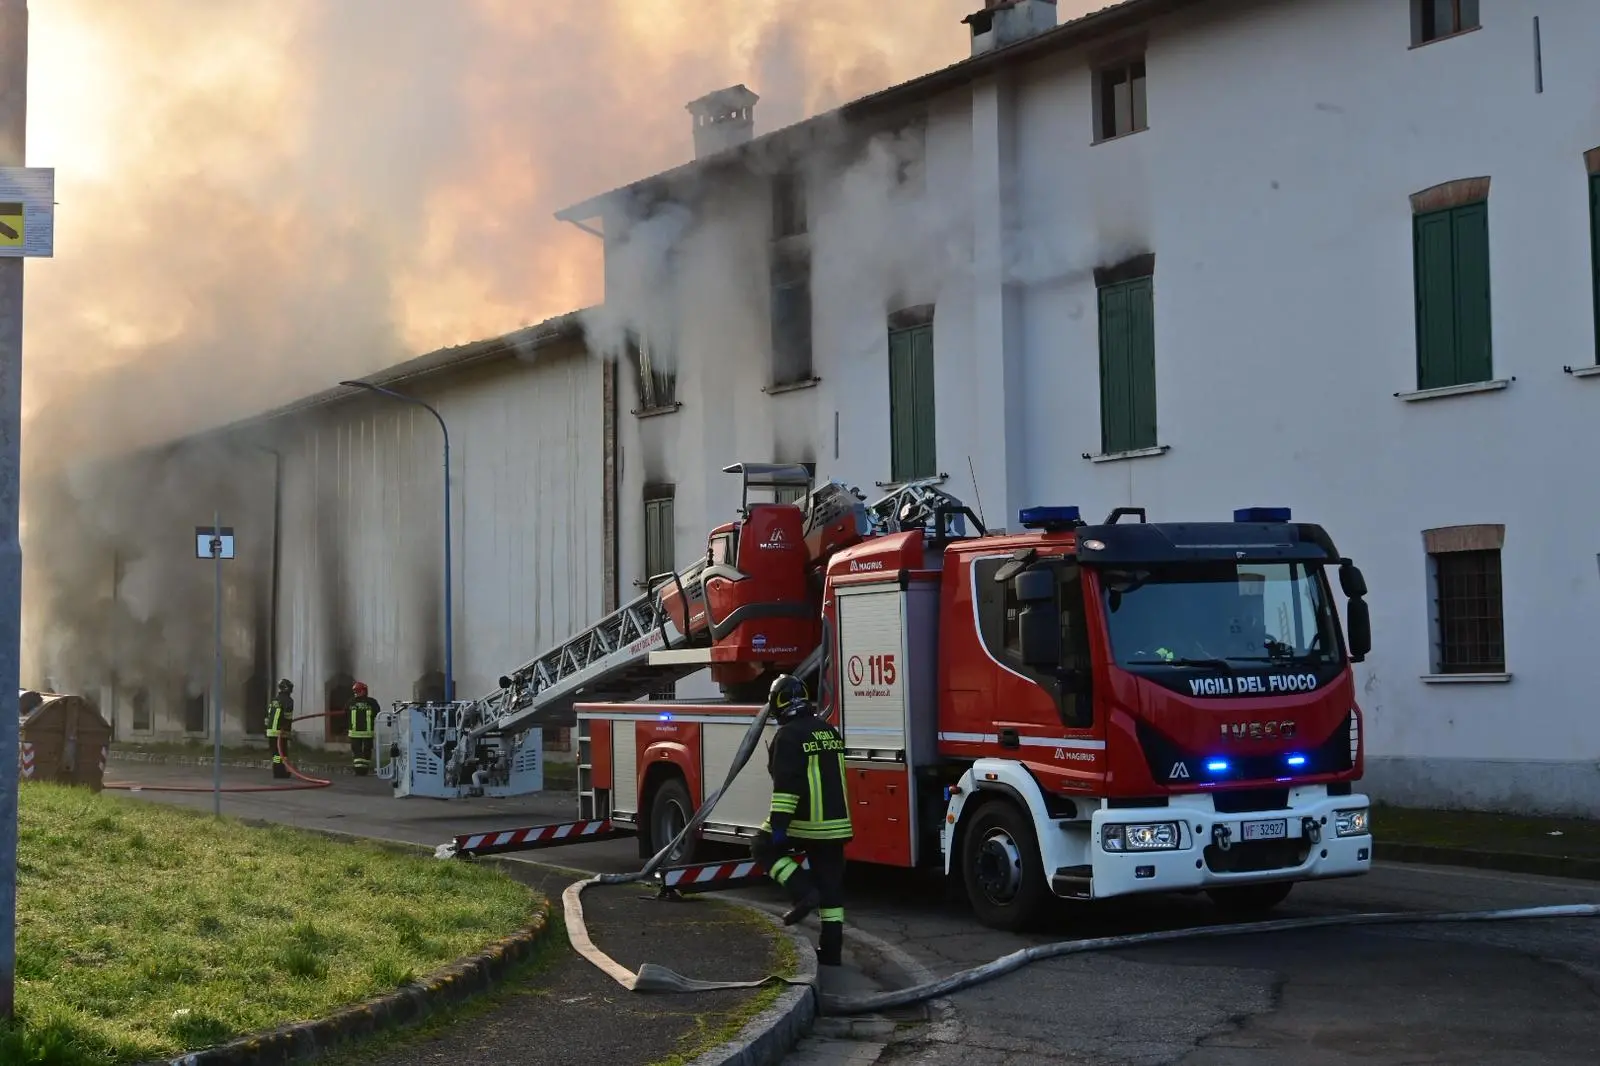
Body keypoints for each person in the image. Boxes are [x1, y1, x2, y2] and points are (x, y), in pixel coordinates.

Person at [750, 673, 852, 967]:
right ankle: (831, 953)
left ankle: (803, 891)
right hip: (838, 825)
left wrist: (779, 826)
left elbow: (787, 785)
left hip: (806, 822)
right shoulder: (828, 731)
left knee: (761, 847)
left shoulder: (788, 736)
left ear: (778, 704)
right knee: (832, 889)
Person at [346, 681, 380, 776]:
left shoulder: (350, 702)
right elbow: (378, 712)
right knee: (366, 751)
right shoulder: (372, 702)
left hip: (354, 733)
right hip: (367, 733)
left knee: (357, 752)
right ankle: (363, 770)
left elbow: (345, 714)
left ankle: (359, 771)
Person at [265, 679, 295, 779]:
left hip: (271, 731)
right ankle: (282, 772)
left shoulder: (274, 700)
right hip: (280, 731)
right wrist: (287, 731)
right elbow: (287, 717)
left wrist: (267, 729)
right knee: (283, 753)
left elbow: (268, 716)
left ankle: (277, 772)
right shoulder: (289, 701)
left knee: (276, 754)